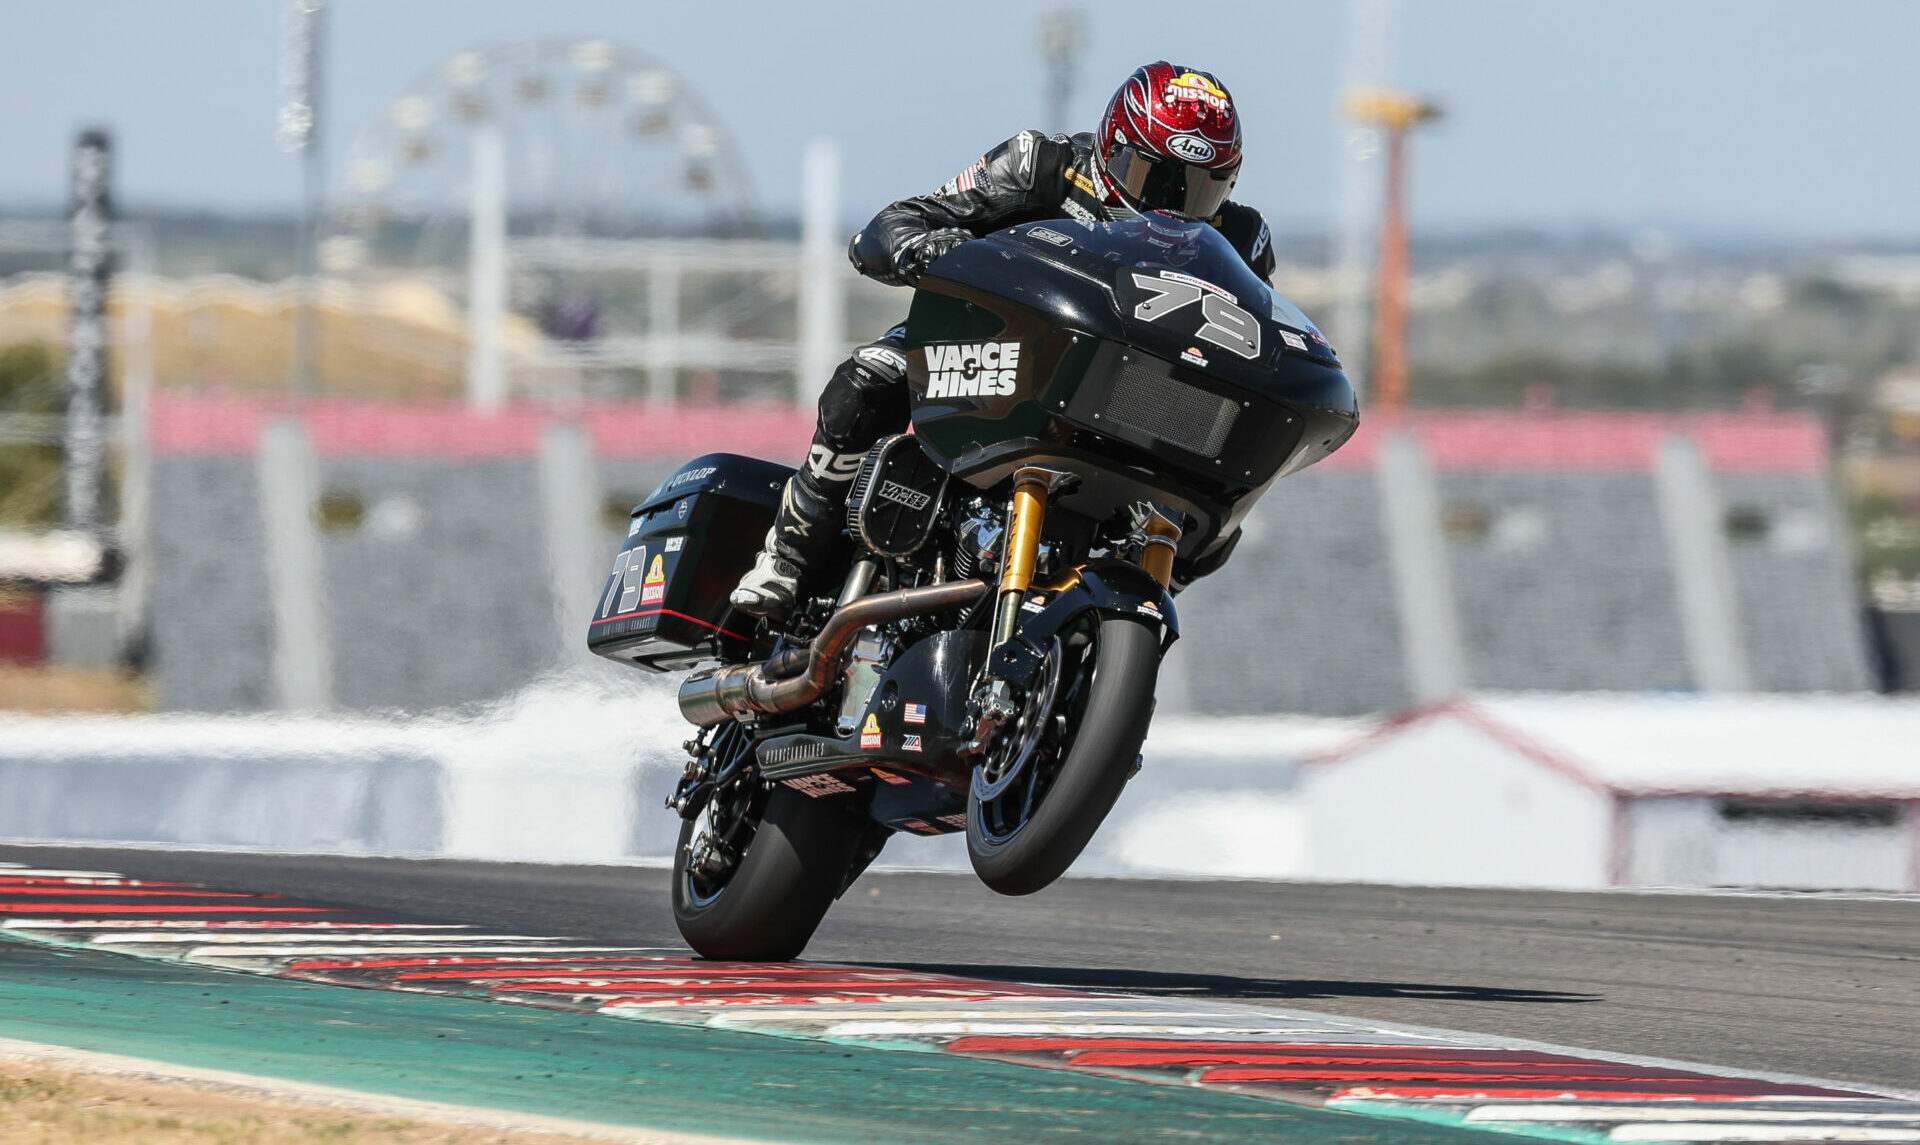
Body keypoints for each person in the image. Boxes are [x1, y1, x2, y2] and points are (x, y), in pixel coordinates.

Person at [731, 61, 1275, 618]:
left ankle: (1124, 614)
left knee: (1225, 503)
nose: (1175, 205)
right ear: (1113, 148)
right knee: (872, 380)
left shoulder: (1243, 237)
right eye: (1157, 178)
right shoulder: (1042, 164)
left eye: (1202, 188)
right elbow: (898, 221)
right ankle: (789, 554)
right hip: (999, 342)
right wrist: (923, 248)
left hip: (1131, 393)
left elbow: (1259, 329)